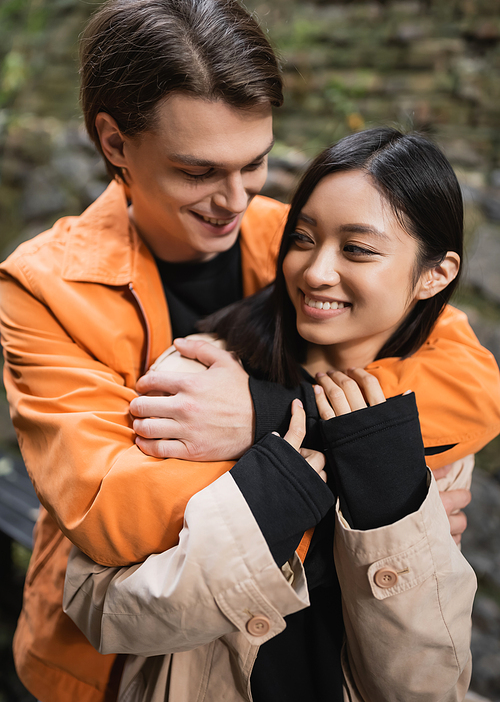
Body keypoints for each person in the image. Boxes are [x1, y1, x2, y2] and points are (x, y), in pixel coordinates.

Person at [0, 0, 497, 702]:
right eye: (199, 171)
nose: (236, 201)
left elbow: (469, 383)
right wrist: (367, 494)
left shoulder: (296, 243)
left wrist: (266, 415)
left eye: (254, 163)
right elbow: (113, 511)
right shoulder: (45, 285)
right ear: (115, 142)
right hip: (113, 667)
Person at [64, 128, 486, 702]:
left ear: (435, 275)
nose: (314, 272)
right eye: (304, 238)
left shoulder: (425, 432)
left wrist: (382, 499)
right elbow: (103, 611)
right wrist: (267, 498)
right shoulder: (199, 376)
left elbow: (428, 683)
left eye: (358, 249)